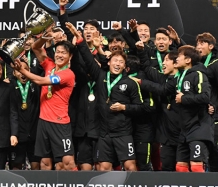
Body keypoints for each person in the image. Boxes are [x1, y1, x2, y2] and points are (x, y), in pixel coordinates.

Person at [69, 23, 149, 172]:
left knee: (130, 166)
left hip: (123, 133)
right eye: (115, 61)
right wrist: (79, 39)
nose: (117, 64)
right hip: (103, 133)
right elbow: (87, 58)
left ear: (125, 67)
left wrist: (124, 107)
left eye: (121, 62)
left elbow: (141, 107)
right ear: (109, 62)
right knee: (104, 167)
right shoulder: (100, 75)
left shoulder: (130, 83)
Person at [12, 35, 77, 171]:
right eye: (58, 51)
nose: (59, 55)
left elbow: (41, 81)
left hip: (59, 122)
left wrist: (22, 70)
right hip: (43, 121)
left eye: (63, 53)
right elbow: (35, 47)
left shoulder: (68, 74)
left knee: (68, 163)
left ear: (70, 57)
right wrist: (43, 38)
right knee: (45, 162)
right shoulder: (49, 65)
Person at [172, 46, 213, 172]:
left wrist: (184, 99)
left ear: (188, 60)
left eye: (179, 56)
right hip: (184, 129)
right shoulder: (180, 76)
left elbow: (206, 97)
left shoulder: (199, 75)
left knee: (196, 167)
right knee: (180, 167)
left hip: (198, 127)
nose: (176, 59)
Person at [195, 33, 218, 172]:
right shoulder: (196, 64)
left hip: (213, 113)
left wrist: (214, 105)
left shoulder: (216, 64)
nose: (198, 47)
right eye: (197, 44)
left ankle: (214, 174)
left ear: (210, 46)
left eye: (202, 44)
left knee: (212, 144)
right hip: (198, 111)